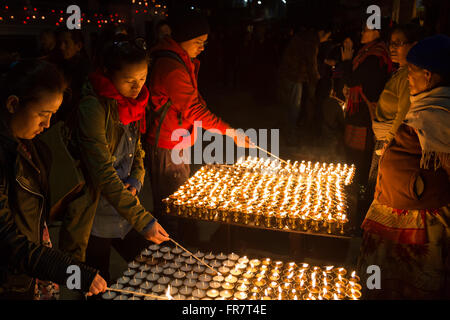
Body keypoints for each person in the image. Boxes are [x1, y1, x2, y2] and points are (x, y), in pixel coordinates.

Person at [0, 60, 107, 299]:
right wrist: (72, 273)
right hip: (10, 280)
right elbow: (7, 239)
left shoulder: (30, 147)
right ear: (13, 103)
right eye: (42, 114)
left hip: (30, 269)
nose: (47, 125)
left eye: (52, 116)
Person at [68, 38, 171, 283]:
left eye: (143, 78)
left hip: (124, 210)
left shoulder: (133, 104)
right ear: (107, 72)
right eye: (129, 80)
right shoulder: (94, 108)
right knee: (98, 283)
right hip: (95, 214)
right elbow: (101, 171)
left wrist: (136, 179)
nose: (138, 86)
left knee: (157, 270)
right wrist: (143, 219)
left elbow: (137, 151)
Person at [145, 13, 254, 241]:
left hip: (177, 140)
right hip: (168, 143)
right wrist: (230, 132)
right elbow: (194, 110)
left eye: (205, 42)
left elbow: (194, 100)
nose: (202, 47)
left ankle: (181, 243)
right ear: (183, 38)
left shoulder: (180, 60)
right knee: (171, 205)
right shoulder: (172, 67)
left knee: (178, 199)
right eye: (198, 42)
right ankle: (172, 252)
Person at [358, 34, 450, 299]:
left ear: (429, 75)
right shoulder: (426, 106)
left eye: (412, 72)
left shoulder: (439, 115)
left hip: (419, 222)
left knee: (409, 287)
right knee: (384, 283)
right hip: (397, 211)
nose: (408, 78)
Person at [368, 23, 425, 191]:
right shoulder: (399, 72)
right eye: (391, 43)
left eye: (398, 43)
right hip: (384, 140)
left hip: (389, 143)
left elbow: (403, 113)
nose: (392, 47)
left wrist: (388, 143)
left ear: (413, 45)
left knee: (378, 187)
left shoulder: (409, 75)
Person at [340, 21, 393, 187]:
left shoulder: (374, 56)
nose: (362, 32)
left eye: (366, 30)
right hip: (359, 109)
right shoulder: (368, 51)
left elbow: (353, 79)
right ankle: (355, 184)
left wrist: (347, 61)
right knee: (355, 151)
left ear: (377, 32)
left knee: (359, 153)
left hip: (363, 112)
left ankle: (359, 187)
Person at [278, 25, 332, 145]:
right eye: (327, 36)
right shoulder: (311, 41)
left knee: (290, 106)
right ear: (322, 32)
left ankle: (288, 133)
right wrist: (316, 78)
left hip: (288, 73)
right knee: (294, 107)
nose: (326, 39)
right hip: (294, 75)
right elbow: (311, 62)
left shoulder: (305, 36)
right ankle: (290, 137)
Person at [49, 28, 91, 125]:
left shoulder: (85, 71)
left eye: (66, 43)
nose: (62, 47)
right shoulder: (57, 66)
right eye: (60, 43)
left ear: (79, 46)